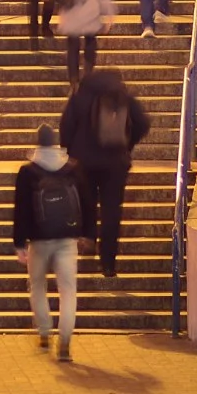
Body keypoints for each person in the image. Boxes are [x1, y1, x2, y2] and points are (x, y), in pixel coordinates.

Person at [61, 68, 150, 280]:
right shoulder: (123, 96)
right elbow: (143, 124)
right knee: (112, 211)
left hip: (84, 162)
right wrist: (127, 145)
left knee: (86, 201)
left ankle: (89, 238)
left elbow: (66, 125)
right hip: (115, 163)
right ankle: (108, 263)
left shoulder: (80, 95)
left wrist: (70, 149)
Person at [14, 126, 85, 361]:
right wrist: (85, 232)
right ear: (55, 142)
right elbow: (83, 201)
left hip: (39, 238)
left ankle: (45, 332)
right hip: (66, 238)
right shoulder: (71, 168)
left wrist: (19, 242)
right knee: (68, 291)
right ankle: (64, 343)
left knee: (36, 285)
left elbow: (21, 209)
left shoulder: (27, 171)